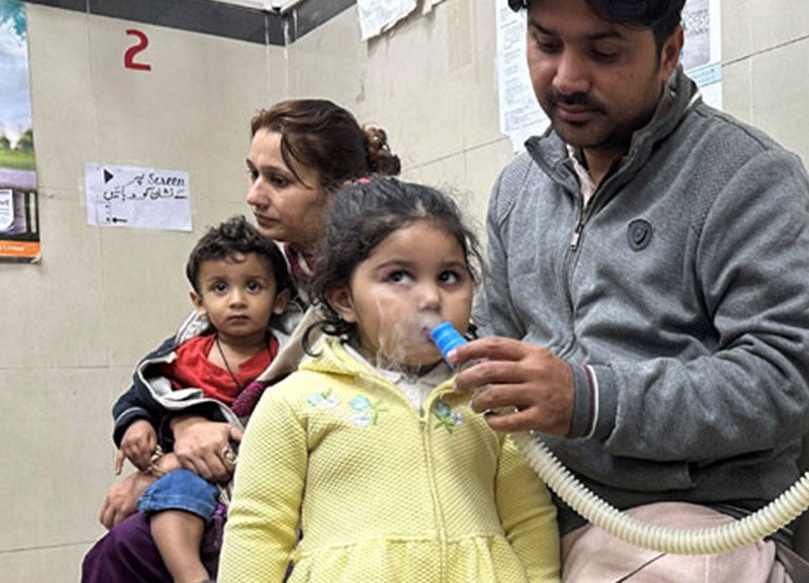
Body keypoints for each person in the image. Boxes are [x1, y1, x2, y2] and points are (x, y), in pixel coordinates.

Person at [453, 0, 809, 581]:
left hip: (687, 518)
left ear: (669, 51)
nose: (567, 78)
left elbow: (783, 381)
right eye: (546, 44)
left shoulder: (748, 180)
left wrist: (590, 398)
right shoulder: (519, 189)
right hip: (536, 505)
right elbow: (494, 345)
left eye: (603, 51)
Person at [82, 99, 402, 582]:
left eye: (278, 180)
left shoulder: (379, 280)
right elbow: (174, 366)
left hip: (336, 494)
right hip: (248, 478)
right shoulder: (283, 270)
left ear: (344, 192)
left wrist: (162, 470)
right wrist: (182, 424)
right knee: (117, 553)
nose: (253, 196)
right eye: (253, 174)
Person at [218, 177, 560, 582]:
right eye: (398, 276)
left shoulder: (490, 401)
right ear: (344, 299)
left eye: (449, 276)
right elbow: (258, 529)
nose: (431, 299)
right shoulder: (295, 402)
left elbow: (529, 520)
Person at [110, 215, 292, 583]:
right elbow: (140, 397)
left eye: (253, 286)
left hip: (265, 477)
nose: (237, 300)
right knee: (177, 491)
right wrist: (136, 424)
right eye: (221, 288)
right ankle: (190, 576)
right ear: (199, 301)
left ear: (279, 300)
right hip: (194, 475)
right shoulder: (183, 356)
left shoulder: (288, 358)